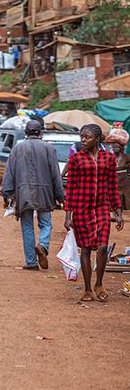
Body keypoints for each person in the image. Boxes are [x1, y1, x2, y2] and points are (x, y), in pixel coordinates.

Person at [64, 124, 124, 301]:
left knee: (103, 246)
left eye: (87, 137)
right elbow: (71, 189)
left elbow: (113, 186)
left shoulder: (108, 159)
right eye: (81, 136)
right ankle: (88, 288)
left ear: (97, 139)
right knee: (85, 250)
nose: (83, 140)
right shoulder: (76, 159)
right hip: (82, 209)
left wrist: (118, 212)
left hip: (103, 208)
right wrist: (68, 216)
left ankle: (99, 283)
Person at [1, 120, 65, 271]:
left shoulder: (18, 148)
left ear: (26, 132)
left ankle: (31, 262)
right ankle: (43, 245)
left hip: (23, 193)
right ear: (40, 132)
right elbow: (55, 173)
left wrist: (6, 194)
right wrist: (60, 195)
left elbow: (9, 172)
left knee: (27, 226)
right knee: (46, 224)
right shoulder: (49, 148)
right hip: (45, 192)